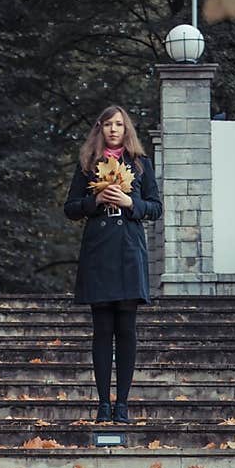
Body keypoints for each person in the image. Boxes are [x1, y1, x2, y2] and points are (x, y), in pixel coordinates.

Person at [63, 104, 163, 424]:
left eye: (119, 124)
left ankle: (123, 403)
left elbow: (156, 207)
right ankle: (103, 403)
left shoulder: (141, 164)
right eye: (107, 124)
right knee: (102, 329)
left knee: (127, 328)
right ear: (100, 129)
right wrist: (96, 201)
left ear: (126, 129)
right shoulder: (88, 165)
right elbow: (71, 208)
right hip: (99, 253)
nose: (113, 129)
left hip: (129, 252)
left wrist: (131, 202)